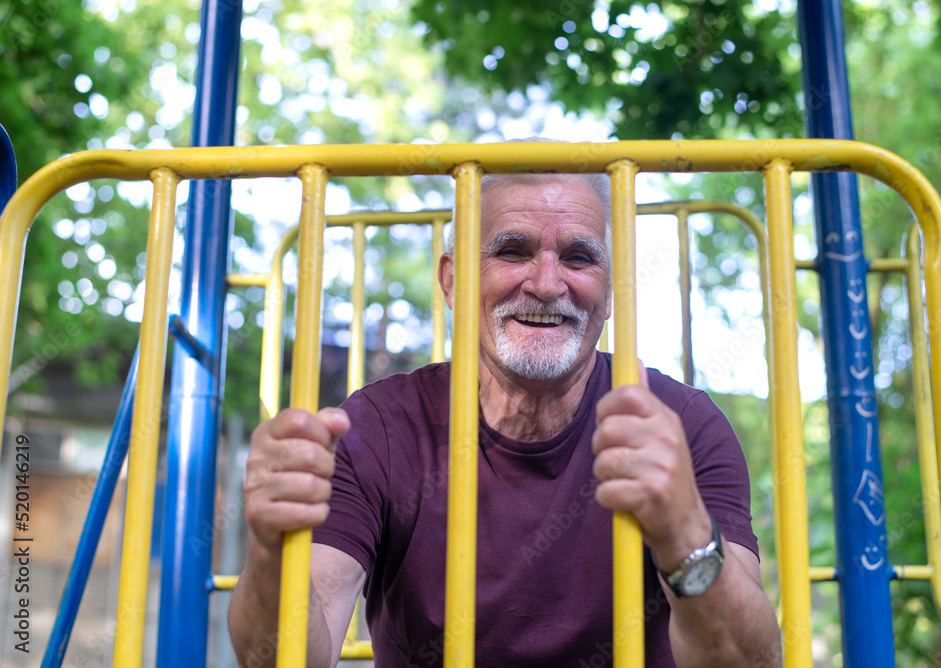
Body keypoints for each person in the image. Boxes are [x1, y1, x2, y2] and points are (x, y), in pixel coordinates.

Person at [228, 167, 781, 668]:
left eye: (579, 257)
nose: (545, 284)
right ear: (452, 281)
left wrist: (686, 535)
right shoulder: (376, 427)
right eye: (512, 252)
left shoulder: (682, 424)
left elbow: (750, 665)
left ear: (611, 292)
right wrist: (270, 550)